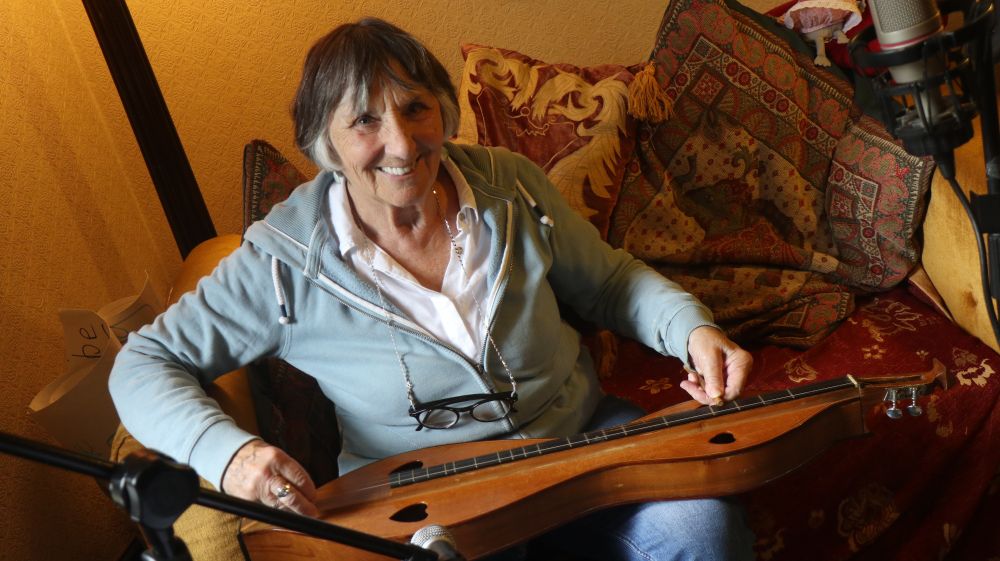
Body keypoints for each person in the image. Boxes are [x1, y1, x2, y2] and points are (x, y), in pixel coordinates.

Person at [109, 17, 755, 561]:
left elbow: (613, 281)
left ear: (443, 111)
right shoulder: (283, 260)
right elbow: (140, 366)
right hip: (423, 496)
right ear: (325, 147)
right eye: (363, 120)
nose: (401, 141)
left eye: (415, 107)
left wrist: (691, 328)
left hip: (579, 443)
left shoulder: (513, 186)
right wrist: (232, 456)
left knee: (706, 530)